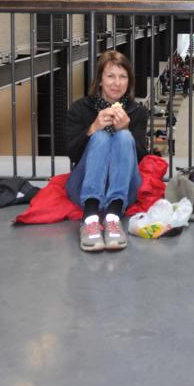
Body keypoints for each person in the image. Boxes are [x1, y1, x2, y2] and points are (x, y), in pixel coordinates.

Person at [65, 50, 148, 252]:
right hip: (85, 184)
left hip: (124, 187)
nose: (116, 83)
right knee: (101, 137)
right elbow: (72, 153)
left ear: (129, 81)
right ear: (100, 80)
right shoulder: (79, 108)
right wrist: (93, 129)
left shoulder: (137, 112)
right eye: (110, 76)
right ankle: (90, 217)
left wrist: (126, 129)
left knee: (124, 137)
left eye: (123, 77)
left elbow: (140, 159)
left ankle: (113, 216)